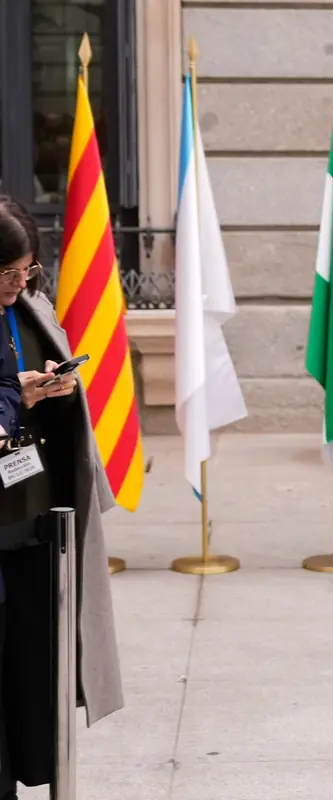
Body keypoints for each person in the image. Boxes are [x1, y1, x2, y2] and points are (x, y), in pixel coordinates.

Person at [0, 195, 123, 799]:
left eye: (27, 271)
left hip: (39, 518)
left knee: (38, 673)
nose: (19, 283)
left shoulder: (31, 306)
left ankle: (38, 769)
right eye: (7, 273)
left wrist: (57, 386)